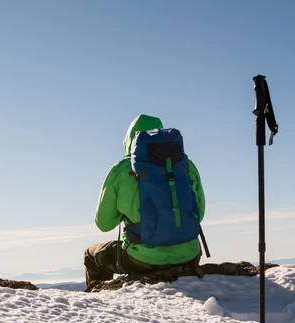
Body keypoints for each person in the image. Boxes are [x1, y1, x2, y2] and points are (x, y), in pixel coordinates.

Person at [84, 114, 206, 287]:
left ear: (129, 140)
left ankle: (101, 300)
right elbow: (199, 214)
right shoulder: (186, 165)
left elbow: (104, 224)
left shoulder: (122, 170)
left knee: (91, 255)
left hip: (141, 260)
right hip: (189, 255)